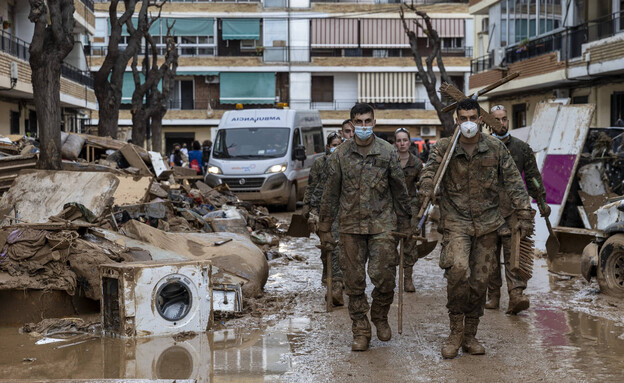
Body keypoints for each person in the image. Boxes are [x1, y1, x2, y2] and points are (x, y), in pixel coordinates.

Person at [419, 98, 533, 358]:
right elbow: (429, 171)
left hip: (487, 223)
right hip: (456, 221)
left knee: (480, 281)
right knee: (458, 270)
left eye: (473, 117)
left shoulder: (494, 148)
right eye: (463, 118)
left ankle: (470, 334)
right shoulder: (445, 148)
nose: (468, 123)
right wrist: (427, 186)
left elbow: (515, 181)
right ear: (456, 121)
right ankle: (455, 331)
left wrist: (524, 213)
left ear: (481, 119)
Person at [319, 103, 412, 352]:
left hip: (382, 224)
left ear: (374, 122)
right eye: (358, 122)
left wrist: (406, 223)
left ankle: (380, 315)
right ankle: (360, 328)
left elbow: (399, 190)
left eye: (367, 121)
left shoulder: (387, 152)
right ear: (351, 124)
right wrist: (325, 227)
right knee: (354, 281)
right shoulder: (339, 155)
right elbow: (330, 194)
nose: (363, 126)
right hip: (350, 225)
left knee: (384, 276)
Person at [485, 105, 550, 314]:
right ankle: (493, 295)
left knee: (515, 253)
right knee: (489, 256)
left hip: (514, 209)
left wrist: (541, 202)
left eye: (504, 119)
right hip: (488, 210)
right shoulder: (483, 147)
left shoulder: (522, 148)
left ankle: (516, 294)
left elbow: (533, 179)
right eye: (497, 119)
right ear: (489, 123)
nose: (501, 123)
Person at [302, 132, 345, 306]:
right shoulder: (322, 163)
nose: (337, 147)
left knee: (342, 249)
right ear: (328, 146)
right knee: (330, 248)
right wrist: (310, 209)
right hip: (327, 211)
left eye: (340, 144)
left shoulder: (347, 162)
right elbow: (314, 186)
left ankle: (338, 284)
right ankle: (334, 283)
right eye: (334, 144)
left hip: (346, 211)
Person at [394, 127, 423, 292]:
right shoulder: (390, 160)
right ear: (395, 143)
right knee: (389, 243)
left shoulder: (417, 163)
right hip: (392, 206)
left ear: (409, 142)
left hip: (411, 206)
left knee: (410, 241)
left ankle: (408, 279)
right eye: (399, 140)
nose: (402, 143)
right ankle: (390, 279)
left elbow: (423, 184)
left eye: (404, 140)